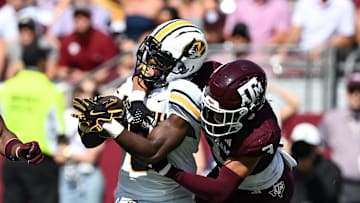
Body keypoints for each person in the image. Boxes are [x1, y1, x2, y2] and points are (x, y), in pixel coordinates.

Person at [72, 19, 210, 202]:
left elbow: (152, 152)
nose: (149, 61)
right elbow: (90, 141)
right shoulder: (135, 84)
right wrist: (90, 122)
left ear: (183, 65)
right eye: (150, 53)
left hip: (168, 199)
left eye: (159, 58)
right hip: (127, 196)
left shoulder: (185, 92)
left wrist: (111, 123)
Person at [154, 59, 297, 202]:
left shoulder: (259, 135)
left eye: (221, 114)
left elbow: (220, 191)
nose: (210, 116)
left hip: (262, 191)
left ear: (245, 113)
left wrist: (167, 169)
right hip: (227, 171)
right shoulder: (210, 76)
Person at [0, 47, 66, 203]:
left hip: (14, 158)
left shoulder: (6, 87)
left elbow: (2, 130)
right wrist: (62, 148)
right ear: (42, 62)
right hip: (41, 158)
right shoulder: (51, 90)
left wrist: (16, 149)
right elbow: (60, 128)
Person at [54, 78, 105, 203]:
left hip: (89, 175)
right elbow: (58, 156)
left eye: (92, 93)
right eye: (82, 91)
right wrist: (69, 154)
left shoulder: (100, 121)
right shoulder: (66, 116)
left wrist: (68, 153)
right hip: (68, 175)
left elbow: (91, 157)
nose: (86, 96)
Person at [319, 71, 360, 203]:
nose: (356, 94)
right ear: (346, 92)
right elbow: (318, 148)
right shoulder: (332, 118)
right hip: (341, 185)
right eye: (352, 89)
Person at [290, 122, 342, 203]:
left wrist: (308, 172)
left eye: (308, 147)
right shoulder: (285, 167)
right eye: (299, 146)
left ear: (317, 148)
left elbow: (329, 196)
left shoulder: (330, 169)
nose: (303, 150)